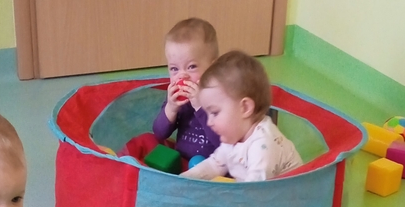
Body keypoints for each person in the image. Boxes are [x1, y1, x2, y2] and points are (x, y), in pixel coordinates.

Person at [183, 51, 302, 182]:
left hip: (288, 194)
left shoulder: (262, 145)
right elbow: (214, 165)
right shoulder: (234, 135)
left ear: (245, 108)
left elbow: (254, 191)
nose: (209, 122)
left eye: (215, 113)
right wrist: (183, 180)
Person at [122, 18, 221, 168]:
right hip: (180, 161)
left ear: (213, 68)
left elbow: (223, 141)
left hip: (214, 166)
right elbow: (160, 133)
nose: (182, 76)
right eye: (174, 69)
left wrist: (200, 107)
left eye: (192, 67)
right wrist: (171, 108)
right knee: (146, 139)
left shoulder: (222, 98)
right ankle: (122, 163)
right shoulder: (179, 98)